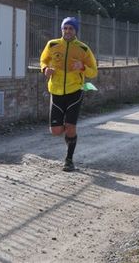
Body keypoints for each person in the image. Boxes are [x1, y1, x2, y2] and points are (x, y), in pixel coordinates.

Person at [40, 17, 98, 172]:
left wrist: (83, 67)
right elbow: (43, 61)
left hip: (75, 91)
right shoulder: (52, 45)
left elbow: (94, 71)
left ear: (75, 31)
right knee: (56, 131)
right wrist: (45, 69)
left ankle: (69, 159)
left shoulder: (83, 49)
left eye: (70, 28)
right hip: (56, 90)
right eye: (65, 28)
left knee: (71, 127)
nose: (67, 31)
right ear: (61, 30)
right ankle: (69, 134)